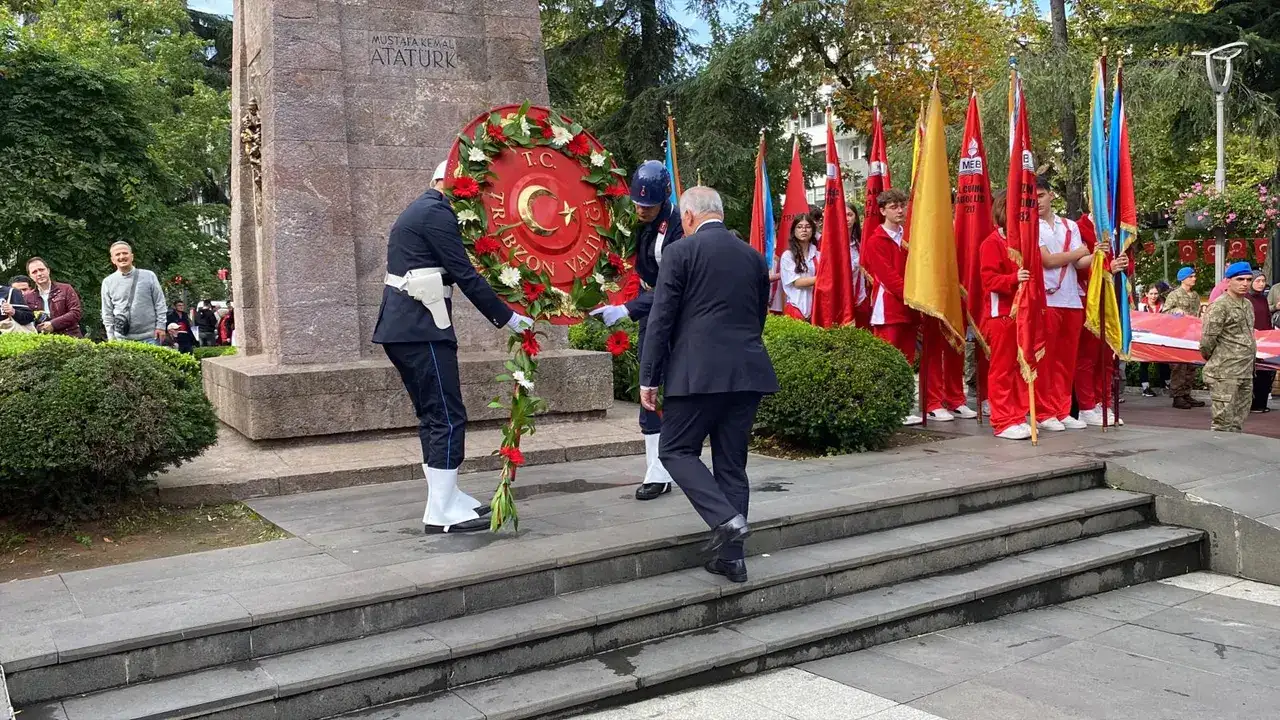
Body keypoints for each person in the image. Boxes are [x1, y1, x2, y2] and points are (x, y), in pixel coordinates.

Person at [373, 160, 532, 534]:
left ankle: (445, 496)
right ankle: (441, 510)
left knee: (434, 414)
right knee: (446, 415)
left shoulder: (426, 209)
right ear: (449, 183)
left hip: (410, 328)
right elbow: (465, 274)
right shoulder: (435, 213)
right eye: (471, 189)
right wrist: (508, 318)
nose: (474, 198)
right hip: (420, 330)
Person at [638, 186, 778, 584]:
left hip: (695, 374)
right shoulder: (752, 256)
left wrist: (649, 377)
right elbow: (758, 316)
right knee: (732, 465)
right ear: (719, 212)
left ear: (687, 217)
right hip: (746, 372)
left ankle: (725, 520)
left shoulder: (679, 253)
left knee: (674, 450)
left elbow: (661, 319)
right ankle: (732, 560)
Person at [588, 160, 685, 501]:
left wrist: (626, 309)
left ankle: (680, 461)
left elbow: (672, 288)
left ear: (664, 199)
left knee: (679, 388)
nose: (641, 210)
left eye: (649, 205)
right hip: (649, 309)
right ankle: (656, 471)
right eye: (638, 203)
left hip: (676, 313)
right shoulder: (632, 219)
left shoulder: (677, 227)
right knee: (648, 381)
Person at [1033, 178, 1116, 432]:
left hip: (1071, 299)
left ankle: (1062, 409)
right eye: (1033, 197)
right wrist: (1077, 253)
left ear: (1051, 196)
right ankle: (1044, 412)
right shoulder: (1031, 226)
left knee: (1066, 360)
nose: (1037, 201)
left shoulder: (1068, 225)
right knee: (1046, 359)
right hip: (1047, 299)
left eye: (1041, 195)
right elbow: (1048, 261)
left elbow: (1081, 263)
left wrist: (1096, 253)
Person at [862, 188, 922, 426]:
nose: (900, 211)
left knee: (907, 360)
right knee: (889, 360)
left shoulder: (910, 237)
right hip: (888, 308)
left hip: (910, 307)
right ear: (882, 210)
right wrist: (911, 294)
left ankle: (903, 407)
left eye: (902, 206)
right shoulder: (875, 241)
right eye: (893, 207)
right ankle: (887, 407)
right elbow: (888, 277)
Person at [978, 191, 1032, 440]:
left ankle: (1018, 415)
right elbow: (989, 281)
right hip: (1001, 314)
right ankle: (1002, 420)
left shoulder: (1025, 242)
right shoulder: (991, 243)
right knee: (1002, 369)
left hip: (1023, 314)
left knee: (1021, 367)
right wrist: (1013, 278)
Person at [1072, 213, 1130, 427]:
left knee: (1107, 358)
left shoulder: (1119, 228)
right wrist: (1106, 268)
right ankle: (1087, 406)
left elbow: (1128, 264)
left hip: (1112, 300)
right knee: (1087, 357)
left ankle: (1103, 402)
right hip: (1090, 299)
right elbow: (1075, 267)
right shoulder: (1079, 228)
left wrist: (1124, 263)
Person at [1200, 261, 1258, 432]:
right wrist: (1218, 359)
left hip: (1245, 371)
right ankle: (1219, 450)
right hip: (1225, 373)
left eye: (1248, 279)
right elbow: (1207, 340)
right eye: (1240, 279)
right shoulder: (1220, 305)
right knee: (1222, 424)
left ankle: (1234, 449)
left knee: (1238, 421)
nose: (1245, 283)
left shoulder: (1247, 304)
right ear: (1228, 281)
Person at [100, 242, 168, 344]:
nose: (122, 257)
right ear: (113, 260)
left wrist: (161, 326)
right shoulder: (108, 282)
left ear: (132, 256)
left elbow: (160, 303)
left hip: (150, 337)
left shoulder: (149, 276)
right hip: (121, 339)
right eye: (117, 254)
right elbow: (107, 312)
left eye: (125, 253)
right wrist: (111, 338)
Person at [1163, 266, 1206, 410]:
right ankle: (1177, 396)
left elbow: (1197, 313)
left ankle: (1187, 393)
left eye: (1194, 276)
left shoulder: (1195, 295)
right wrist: (1176, 311)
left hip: (1191, 334)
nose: (1194, 279)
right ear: (1183, 279)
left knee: (1191, 366)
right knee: (1178, 366)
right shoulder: (1174, 295)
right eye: (1191, 276)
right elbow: (1165, 312)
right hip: (1178, 334)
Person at [23, 258, 83, 337]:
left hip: (70, 336)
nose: (39, 274)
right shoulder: (27, 297)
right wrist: (38, 327)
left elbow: (76, 313)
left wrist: (53, 324)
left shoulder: (66, 289)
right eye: (34, 272)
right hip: (42, 339)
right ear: (30, 276)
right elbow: (26, 321)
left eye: (41, 270)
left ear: (48, 270)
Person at [779, 216, 819, 320]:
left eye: (808, 227)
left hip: (816, 309)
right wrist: (823, 278)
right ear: (794, 231)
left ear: (813, 231)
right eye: (799, 227)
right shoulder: (788, 256)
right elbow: (797, 282)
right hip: (795, 307)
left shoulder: (819, 255)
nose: (804, 230)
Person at [1136, 285, 1170, 397]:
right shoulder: (1140, 307)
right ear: (1146, 294)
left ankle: (1166, 383)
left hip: (1160, 337)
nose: (1153, 296)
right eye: (1151, 294)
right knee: (1144, 363)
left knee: (1163, 361)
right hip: (1145, 337)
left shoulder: (1163, 305)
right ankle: (1145, 387)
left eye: (1155, 293)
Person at [1247, 270, 1274, 413]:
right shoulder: (1246, 298)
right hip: (1251, 339)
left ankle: (1261, 403)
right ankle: (1252, 404)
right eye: (1258, 281)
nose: (1261, 284)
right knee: (1253, 372)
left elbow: (1267, 318)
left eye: (1263, 281)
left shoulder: (1263, 299)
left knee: (1265, 372)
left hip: (1265, 340)